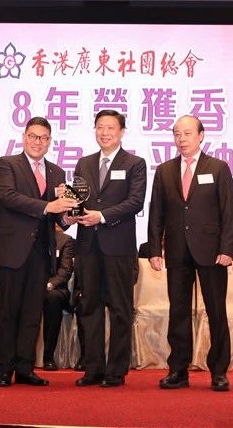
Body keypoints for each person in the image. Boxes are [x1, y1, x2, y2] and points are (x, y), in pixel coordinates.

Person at [148, 115, 233, 392]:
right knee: (179, 311)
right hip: (176, 249)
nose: (181, 139)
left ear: (201, 135)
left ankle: (218, 371)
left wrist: (227, 248)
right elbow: (156, 213)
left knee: (216, 311)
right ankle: (178, 369)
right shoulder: (164, 171)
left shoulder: (218, 168)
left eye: (187, 133)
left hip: (211, 251)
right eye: (177, 134)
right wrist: (154, 248)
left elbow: (228, 211)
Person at [0, 116, 76, 387]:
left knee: (31, 313)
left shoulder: (57, 172)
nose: (38, 142)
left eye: (44, 138)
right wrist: (48, 207)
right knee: (8, 311)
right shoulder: (6, 164)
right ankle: (4, 369)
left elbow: (57, 215)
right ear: (24, 137)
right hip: (11, 250)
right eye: (33, 136)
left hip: (42, 252)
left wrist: (68, 217)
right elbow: (8, 197)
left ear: (50, 141)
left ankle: (25, 368)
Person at [65, 110, 146, 388]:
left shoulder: (134, 163)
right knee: (89, 307)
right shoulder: (84, 163)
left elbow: (135, 202)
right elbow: (79, 199)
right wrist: (71, 209)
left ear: (122, 131)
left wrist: (101, 216)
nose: (105, 133)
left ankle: (116, 371)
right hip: (87, 246)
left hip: (118, 247)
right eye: (100, 127)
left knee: (121, 309)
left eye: (111, 128)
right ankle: (93, 368)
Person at [42, 225, 76, 371]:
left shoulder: (65, 240)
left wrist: (49, 284)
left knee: (53, 298)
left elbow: (65, 270)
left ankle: (48, 356)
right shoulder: (31, 238)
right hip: (32, 286)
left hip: (56, 288)